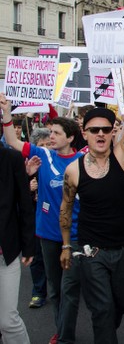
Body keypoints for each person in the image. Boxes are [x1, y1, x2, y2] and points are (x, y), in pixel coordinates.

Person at [59, 61, 124, 344]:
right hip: (89, 251)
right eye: (94, 130)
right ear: (84, 133)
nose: (100, 134)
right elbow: (66, 208)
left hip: (121, 250)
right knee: (102, 309)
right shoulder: (73, 170)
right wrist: (66, 245)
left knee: (121, 302)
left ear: (112, 133)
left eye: (105, 130)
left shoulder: (123, 158)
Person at [0, 94, 83, 344]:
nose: (51, 136)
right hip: (47, 233)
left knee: (69, 289)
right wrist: (6, 113)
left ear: (69, 137)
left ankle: (65, 336)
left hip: (77, 235)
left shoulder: (84, 160)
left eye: (56, 132)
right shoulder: (43, 156)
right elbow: (12, 140)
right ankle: (61, 329)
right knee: (55, 289)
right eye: (50, 132)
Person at [0, 143, 35, 344]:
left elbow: (24, 204)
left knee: (8, 321)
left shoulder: (10, 158)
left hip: (6, 252)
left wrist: (28, 244)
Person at [27, 128, 51, 310]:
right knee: (37, 256)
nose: (44, 149)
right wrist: (28, 188)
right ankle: (38, 292)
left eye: (47, 145)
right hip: (34, 218)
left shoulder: (56, 164)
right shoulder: (25, 166)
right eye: (40, 146)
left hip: (54, 218)